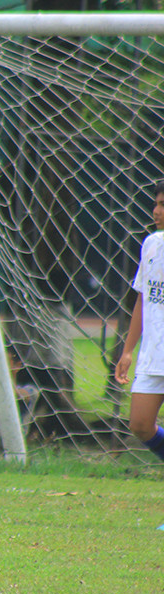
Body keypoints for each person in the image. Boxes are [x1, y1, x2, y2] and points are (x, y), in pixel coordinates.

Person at [114, 180, 164, 462]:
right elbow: (143, 300)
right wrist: (129, 350)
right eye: (156, 204)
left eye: (163, 205)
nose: (156, 211)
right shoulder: (152, 244)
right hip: (153, 353)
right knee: (140, 424)